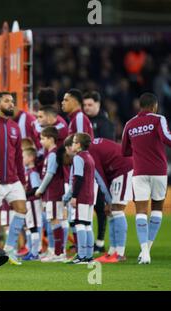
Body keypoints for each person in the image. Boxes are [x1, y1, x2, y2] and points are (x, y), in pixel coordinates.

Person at [121, 92, 171, 264]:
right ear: (154, 106)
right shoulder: (158, 119)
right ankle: (147, 250)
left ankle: (145, 252)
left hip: (140, 172)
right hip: (159, 171)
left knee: (140, 210)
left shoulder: (130, 124)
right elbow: (167, 138)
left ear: (139, 106)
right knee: (157, 208)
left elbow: (124, 151)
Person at [0, 92, 28, 266]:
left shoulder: (15, 127)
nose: (11, 104)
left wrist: (23, 180)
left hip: (13, 179)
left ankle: (9, 249)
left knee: (21, 209)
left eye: (12, 101)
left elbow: (18, 156)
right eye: (6, 101)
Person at [89, 138, 133, 263]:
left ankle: (119, 253)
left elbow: (100, 178)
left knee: (117, 210)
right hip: (116, 172)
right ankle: (112, 252)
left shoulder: (90, 152)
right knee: (112, 213)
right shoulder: (91, 148)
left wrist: (108, 201)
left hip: (123, 169)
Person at [83, 91, 115, 253]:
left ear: (98, 105)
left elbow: (108, 148)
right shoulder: (84, 121)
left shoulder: (105, 124)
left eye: (90, 105)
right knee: (90, 206)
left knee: (101, 207)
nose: (87, 108)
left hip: (100, 172)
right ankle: (86, 241)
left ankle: (100, 242)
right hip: (87, 170)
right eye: (85, 105)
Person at [35, 127, 66, 262]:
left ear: (51, 139)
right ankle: (56, 251)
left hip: (54, 191)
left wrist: (40, 189)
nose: (41, 141)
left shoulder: (53, 154)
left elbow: (50, 173)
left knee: (55, 220)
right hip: (51, 192)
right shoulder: (50, 153)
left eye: (43, 138)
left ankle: (59, 253)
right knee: (53, 220)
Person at [64, 133, 96, 264]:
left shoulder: (78, 158)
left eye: (74, 142)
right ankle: (89, 255)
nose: (72, 145)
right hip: (90, 195)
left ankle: (81, 256)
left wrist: (74, 196)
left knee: (79, 224)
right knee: (87, 225)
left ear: (78, 144)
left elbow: (78, 177)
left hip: (82, 195)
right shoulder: (90, 157)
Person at [22, 147, 42, 261]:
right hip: (29, 203)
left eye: (24, 156)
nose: (22, 159)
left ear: (30, 158)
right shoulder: (28, 171)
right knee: (30, 227)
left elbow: (36, 189)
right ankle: (31, 251)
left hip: (33, 202)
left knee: (33, 227)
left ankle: (35, 253)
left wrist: (24, 195)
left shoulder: (33, 172)